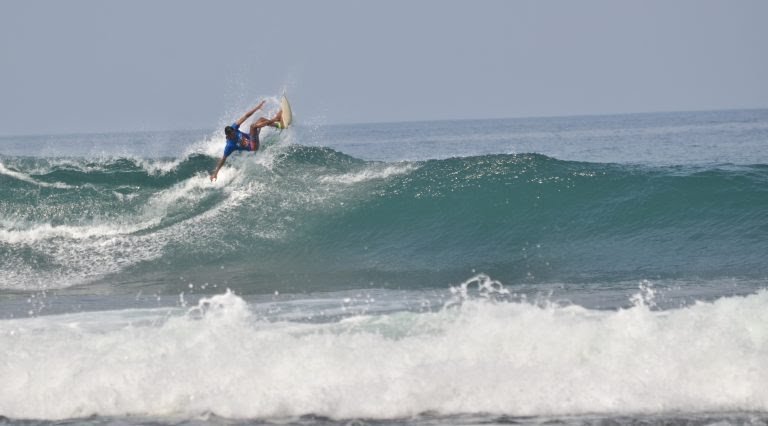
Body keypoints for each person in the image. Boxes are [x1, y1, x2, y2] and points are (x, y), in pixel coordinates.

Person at [210, 101, 283, 181]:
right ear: (228, 135)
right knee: (253, 126)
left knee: (261, 119)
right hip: (253, 146)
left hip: (252, 137)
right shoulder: (229, 146)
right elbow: (223, 159)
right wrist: (215, 173)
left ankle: (279, 125)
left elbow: (246, 116)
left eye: (234, 132)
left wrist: (257, 108)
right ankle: (276, 118)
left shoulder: (234, 127)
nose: (234, 134)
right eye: (232, 134)